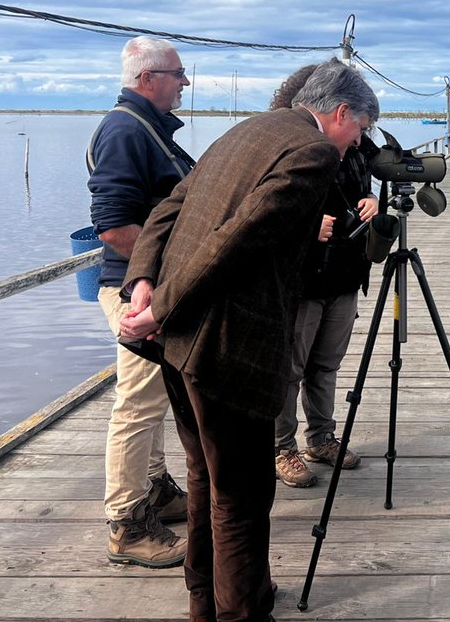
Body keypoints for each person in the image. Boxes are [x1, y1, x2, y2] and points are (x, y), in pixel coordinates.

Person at [120, 58, 379, 622]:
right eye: (357, 131)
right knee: (241, 495)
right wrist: (156, 306)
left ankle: (205, 603)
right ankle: (242, 611)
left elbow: (169, 209)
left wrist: (142, 283)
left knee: (203, 474)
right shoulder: (312, 153)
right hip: (227, 346)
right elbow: (240, 239)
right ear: (340, 114)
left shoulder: (247, 130)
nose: (355, 145)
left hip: (179, 342)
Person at [87, 36, 195, 568]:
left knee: (154, 399)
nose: (185, 83)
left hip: (149, 285)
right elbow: (112, 225)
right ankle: (126, 525)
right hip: (137, 289)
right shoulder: (127, 129)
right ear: (147, 79)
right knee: (138, 406)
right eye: (178, 74)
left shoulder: (146, 129)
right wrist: (158, 276)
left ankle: (157, 491)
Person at [266, 68, 378, 488]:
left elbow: (365, 186)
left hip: (346, 273)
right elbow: (265, 209)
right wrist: (309, 224)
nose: (360, 137)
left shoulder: (358, 151)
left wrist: (371, 199)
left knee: (326, 364)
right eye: (360, 127)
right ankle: (282, 447)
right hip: (302, 278)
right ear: (339, 111)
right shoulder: (294, 148)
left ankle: (321, 437)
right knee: (289, 368)